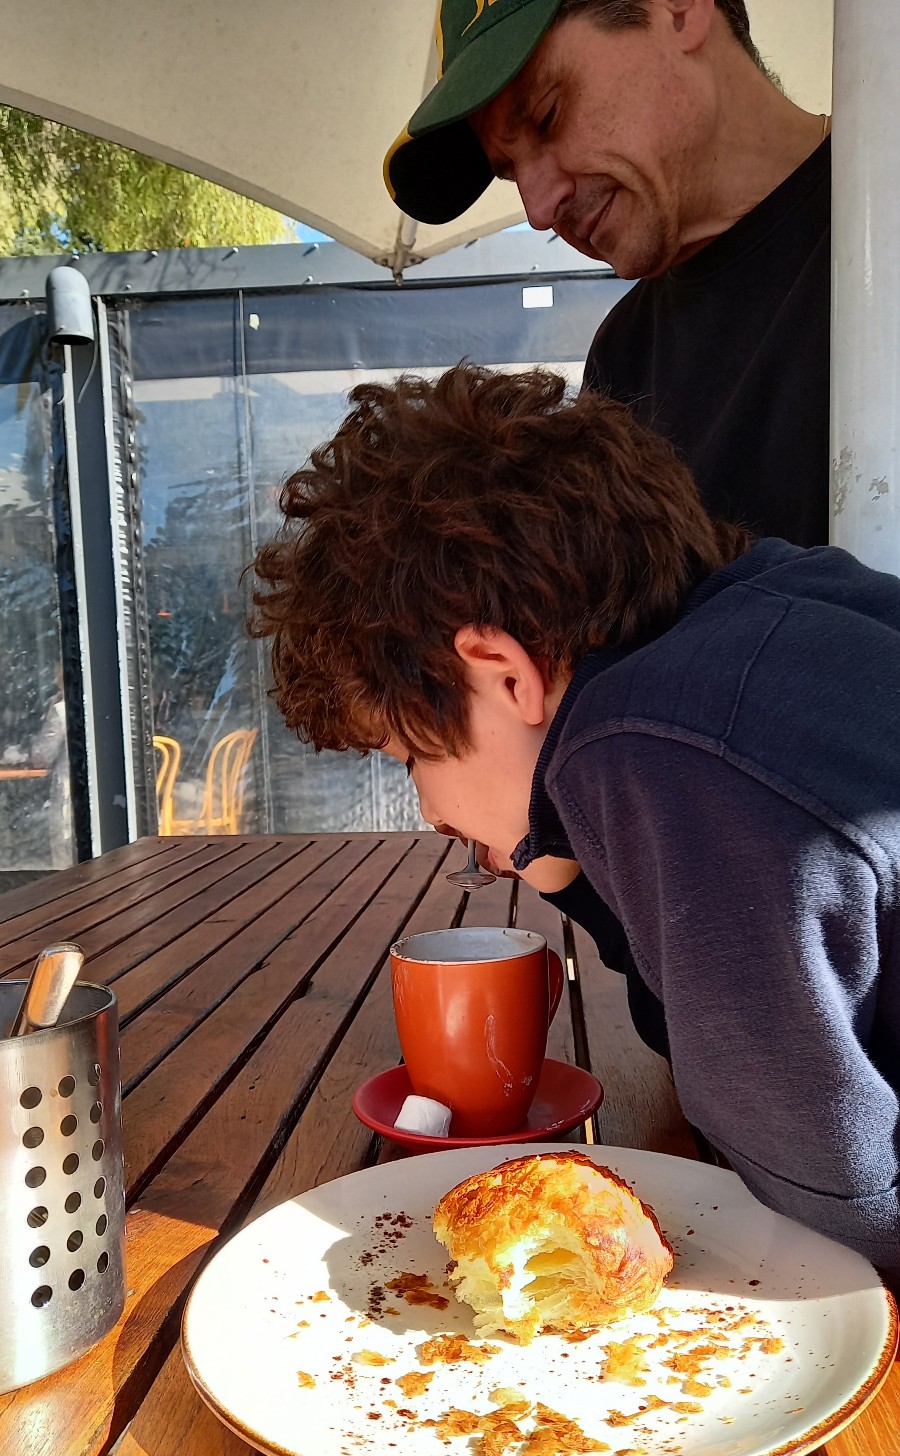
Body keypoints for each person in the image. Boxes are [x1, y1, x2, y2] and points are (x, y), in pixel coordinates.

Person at [249, 365, 900, 1287]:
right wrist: (562, 858)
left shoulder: (653, 748)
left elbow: (829, 1193)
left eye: (407, 757)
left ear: (503, 672)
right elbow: (701, 1007)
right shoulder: (789, 603)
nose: (430, 811)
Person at [384, 0, 833, 1059]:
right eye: (510, 169)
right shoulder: (625, 364)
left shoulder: (878, 225)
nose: (540, 203)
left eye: (548, 114)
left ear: (680, 10)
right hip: (749, 1055)